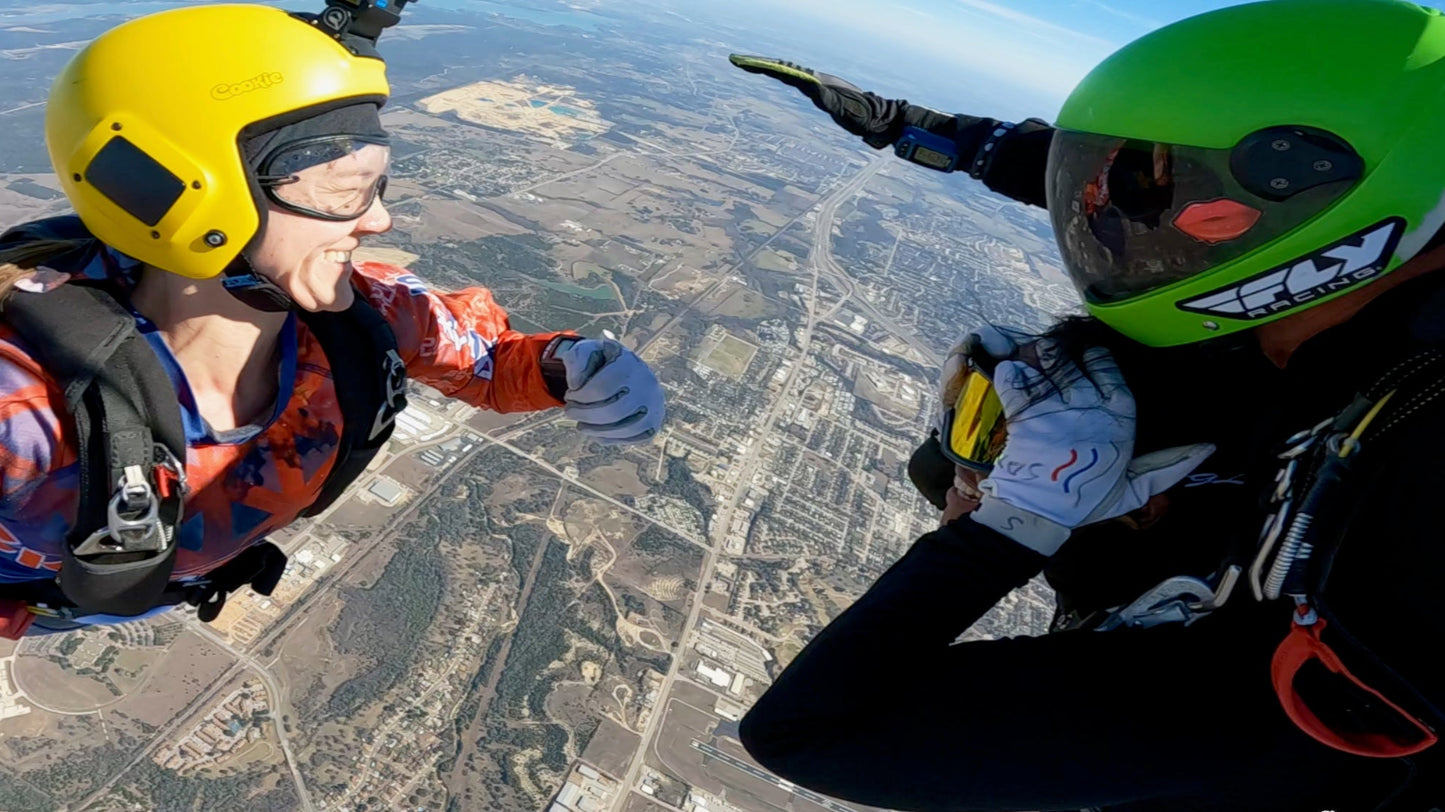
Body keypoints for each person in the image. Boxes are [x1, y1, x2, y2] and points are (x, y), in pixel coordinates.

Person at [729, 1, 1445, 810]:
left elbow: (809, 730)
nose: (964, 508)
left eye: (998, 481)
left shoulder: (1295, 652)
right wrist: (924, 131)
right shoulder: (1335, 339)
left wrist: (1010, 531)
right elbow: (1166, 205)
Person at [0, 2, 665, 636]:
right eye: (343, 192)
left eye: (376, 183)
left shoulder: (363, 316)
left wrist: (567, 366)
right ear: (186, 197)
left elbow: (487, 360)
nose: (378, 219)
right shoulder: (22, 413)